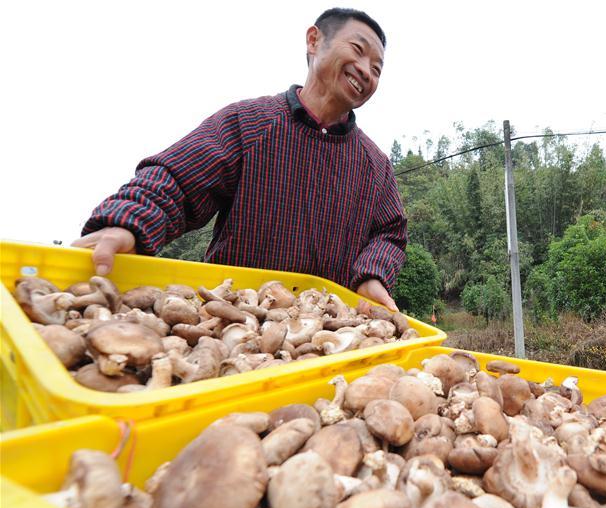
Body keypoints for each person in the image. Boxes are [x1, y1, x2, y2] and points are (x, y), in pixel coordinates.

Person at [72, 8, 405, 312]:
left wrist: (371, 275)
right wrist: (128, 221)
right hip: (231, 318)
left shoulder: (375, 164)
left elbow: (390, 232)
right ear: (314, 40)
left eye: (377, 68)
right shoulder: (249, 123)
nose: (365, 71)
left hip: (323, 335)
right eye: (358, 51)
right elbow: (177, 181)